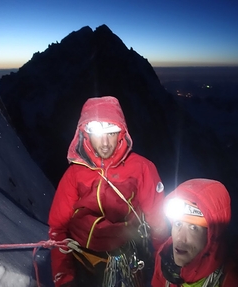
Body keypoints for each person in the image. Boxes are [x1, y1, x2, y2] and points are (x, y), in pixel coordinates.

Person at [48, 96, 169, 287]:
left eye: (111, 133)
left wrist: (163, 268)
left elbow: (158, 224)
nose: (105, 143)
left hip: (127, 262)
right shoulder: (74, 174)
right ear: (86, 134)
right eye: (98, 134)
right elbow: (58, 229)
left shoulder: (141, 169)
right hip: (83, 262)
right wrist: (65, 277)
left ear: (121, 133)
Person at [151, 178, 238, 287]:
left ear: (211, 236)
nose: (180, 238)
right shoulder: (164, 257)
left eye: (193, 228)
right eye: (178, 224)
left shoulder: (233, 280)